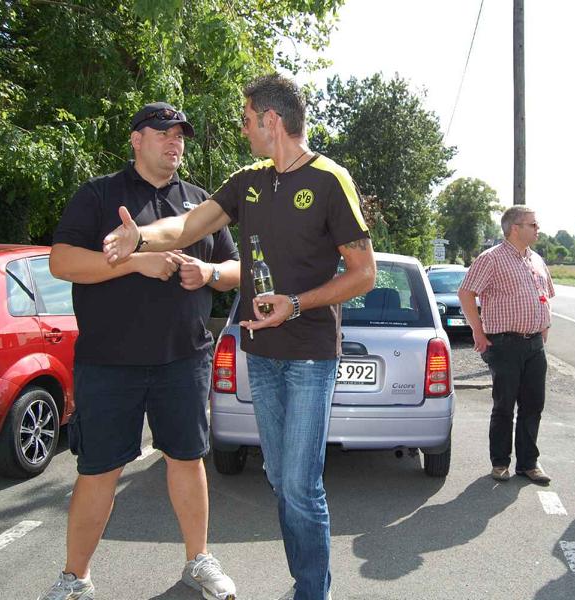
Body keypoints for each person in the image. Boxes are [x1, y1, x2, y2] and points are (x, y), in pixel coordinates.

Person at [102, 75, 376, 600]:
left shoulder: (329, 179)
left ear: (272, 121)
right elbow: (187, 226)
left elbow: (363, 273)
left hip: (309, 357)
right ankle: (308, 581)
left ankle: (312, 591)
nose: (243, 129)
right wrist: (141, 235)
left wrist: (296, 303)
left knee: (300, 486)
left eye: (247, 120)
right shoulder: (248, 179)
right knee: (281, 478)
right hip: (261, 353)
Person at [38, 103, 241, 600]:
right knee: (99, 470)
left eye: (180, 135)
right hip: (109, 362)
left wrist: (209, 273)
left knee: (187, 460)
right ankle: (75, 578)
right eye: (163, 132)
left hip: (183, 359)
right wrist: (132, 263)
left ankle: (198, 560)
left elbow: (237, 269)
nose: (175, 142)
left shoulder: (200, 204)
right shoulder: (99, 194)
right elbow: (61, 261)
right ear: (136, 139)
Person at [458, 205, 556, 484]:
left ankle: (528, 464)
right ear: (515, 228)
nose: (538, 229)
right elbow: (466, 293)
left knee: (533, 405)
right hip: (504, 344)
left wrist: (544, 327)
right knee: (504, 405)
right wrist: (478, 331)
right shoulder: (491, 259)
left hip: (534, 344)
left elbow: (545, 294)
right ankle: (500, 463)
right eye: (532, 224)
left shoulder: (536, 259)